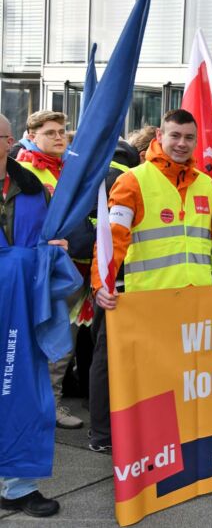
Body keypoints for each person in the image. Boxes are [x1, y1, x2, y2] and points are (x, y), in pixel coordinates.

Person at [92, 108, 212, 304]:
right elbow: (113, 237)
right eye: (175, 135)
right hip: (150, 298)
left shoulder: (207, 184)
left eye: (189, 138)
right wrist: (100, 282)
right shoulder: (132, 181)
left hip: (198, 295)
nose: (182, 143)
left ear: (196, 141)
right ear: (160, 136)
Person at [0, 113, 69, 517]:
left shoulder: (33, 190)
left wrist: (54, 246)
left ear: (9, 141)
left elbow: (51, 238)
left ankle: (18, 486)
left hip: (22, 307)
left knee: (22, 390)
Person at [16, 111, 93, 429]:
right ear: (31, 135)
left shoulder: (68, 171)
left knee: (62, 341)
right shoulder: (22, 172)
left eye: (62, 131)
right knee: (33, 341)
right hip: (40, 273)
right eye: (50, 132)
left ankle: (52, 404)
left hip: (73, 271)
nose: (59, 137)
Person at [86, 139, 141, 454]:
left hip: (111, 279)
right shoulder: (129, 179)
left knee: (104, 357)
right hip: (124, 280)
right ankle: (105, 432)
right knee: (108, 357)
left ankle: (102, 432)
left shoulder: (95, 175)